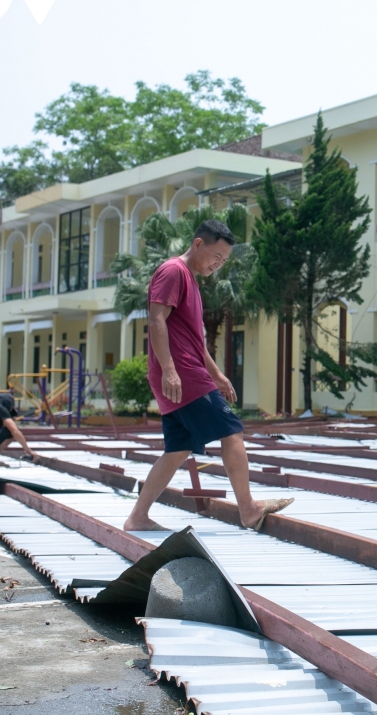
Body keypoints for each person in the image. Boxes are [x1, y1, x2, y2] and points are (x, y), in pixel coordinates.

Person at [122, 219, 293, 532]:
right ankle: (249, 509)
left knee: (177, 450)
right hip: (183, 373)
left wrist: (216, 374)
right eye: (217, 256)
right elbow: (157, 320)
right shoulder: (174, 271)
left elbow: (193, 339)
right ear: (198, 243)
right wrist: (170, 370)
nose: (219, 264)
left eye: (224, 260)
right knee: (231, 430)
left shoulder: (191, 281)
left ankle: (137, 518)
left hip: (187, 371)